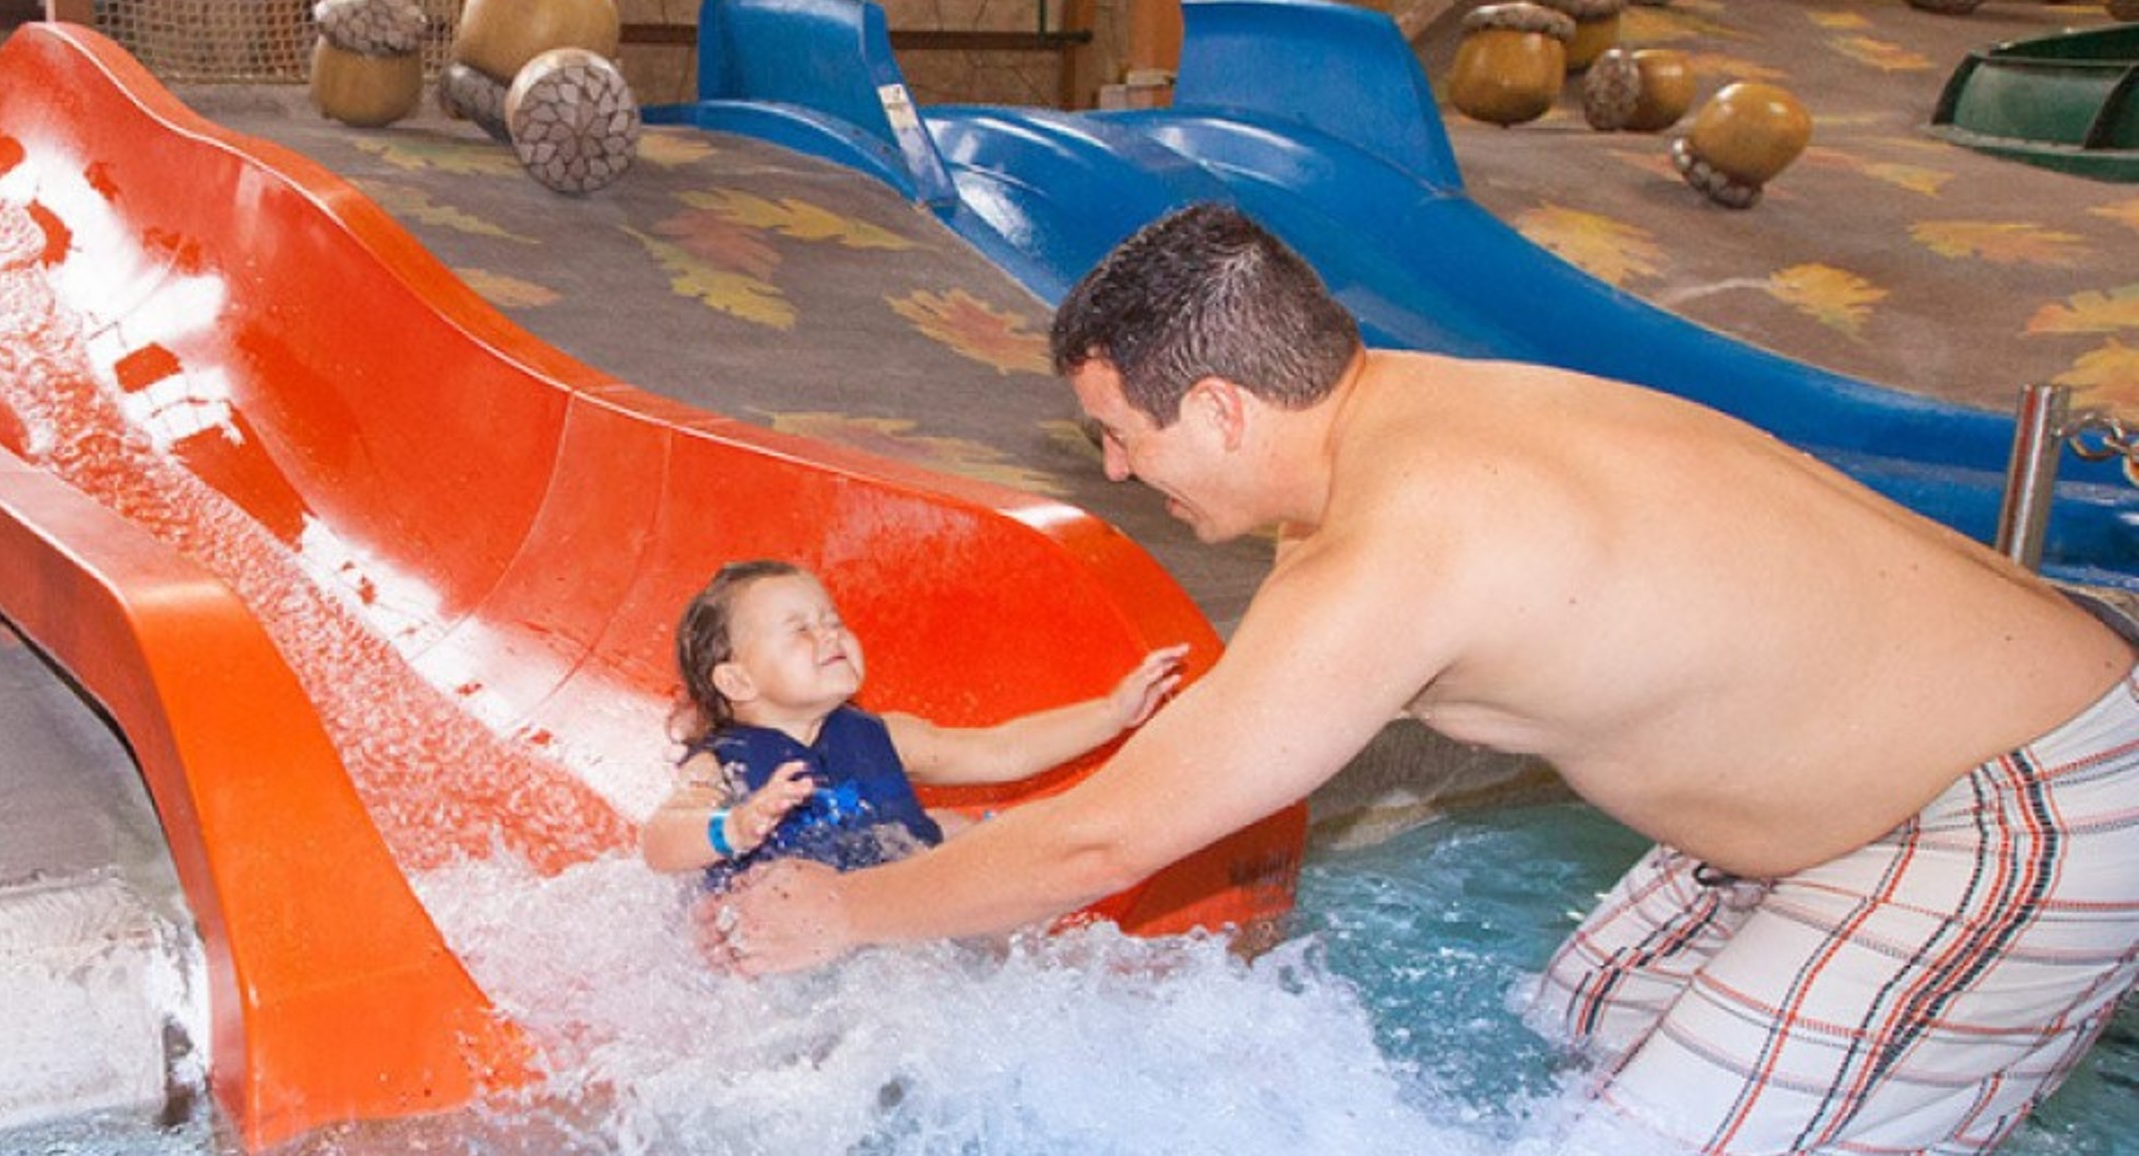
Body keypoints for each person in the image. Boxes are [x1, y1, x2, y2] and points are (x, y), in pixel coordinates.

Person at [709, 204, 2139, 1153]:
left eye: (1120, 435)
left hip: (2018, 804)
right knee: (1569, 1027)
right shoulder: (1410, 416)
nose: (1118, 472)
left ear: (1218, 403)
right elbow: (1203, 757)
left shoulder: (1393, 549)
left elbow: (1108, 836)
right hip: (1853, 783)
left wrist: (842, 913)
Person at [640, 559, 1189, 888]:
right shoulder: (723, 765)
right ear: (736, 681)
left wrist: (1112, 714)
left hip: (889, 922)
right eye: (800, 629)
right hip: (788, 947)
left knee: (979, 836)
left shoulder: (883, 735)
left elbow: (1001, 751)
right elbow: (661, 843)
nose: (830, 633)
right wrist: (733, 827)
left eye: (833, 620)